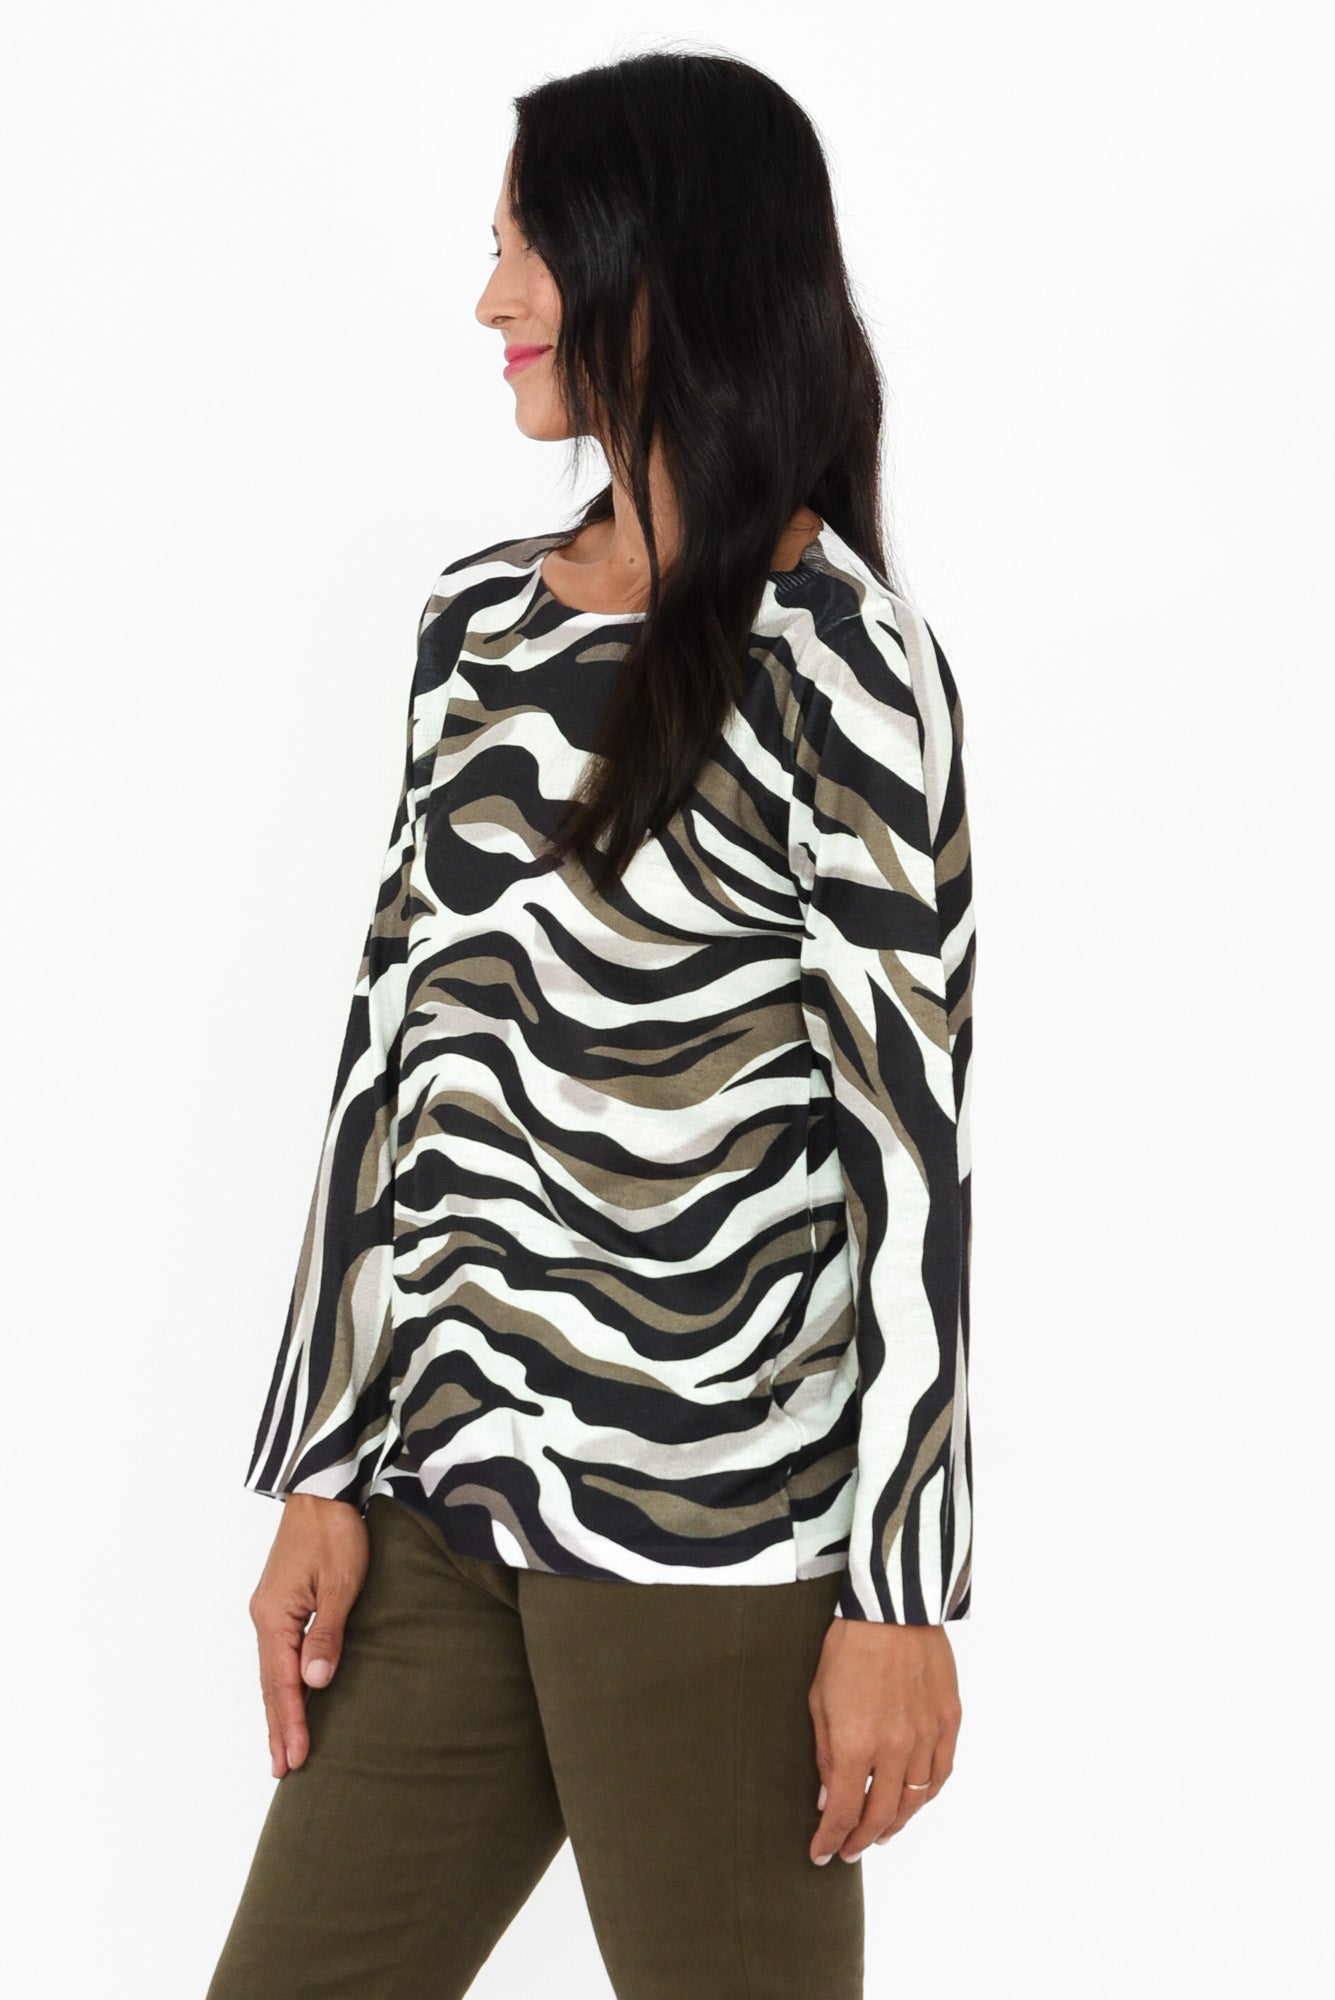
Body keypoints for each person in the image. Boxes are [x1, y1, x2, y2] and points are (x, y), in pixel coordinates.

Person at [207, 47, 975, 2000]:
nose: (490, 299)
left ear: (664, 259)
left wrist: (898, 1589)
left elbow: (907, 1154)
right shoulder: (474, 629)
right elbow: (389, 1064)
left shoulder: (842, 666)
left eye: (527, 248)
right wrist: (325, 1463)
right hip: (445, 1505)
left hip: (708, 1546)